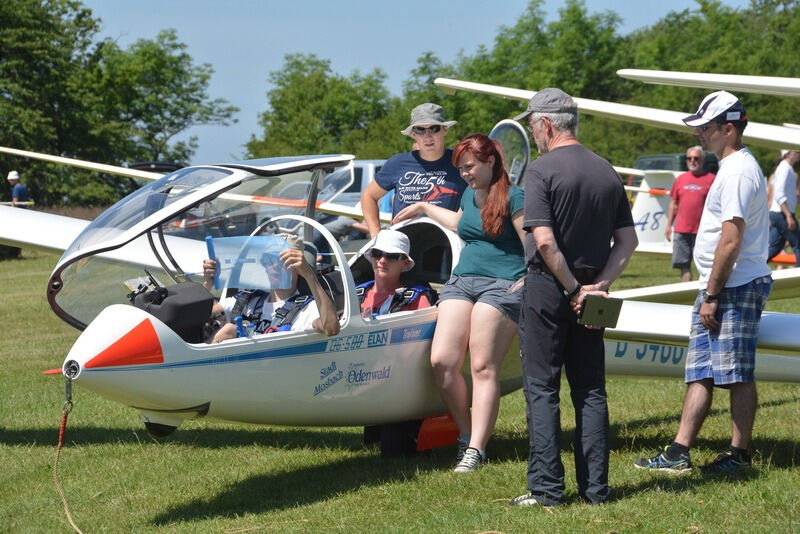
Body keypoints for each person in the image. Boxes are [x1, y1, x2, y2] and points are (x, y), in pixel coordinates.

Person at [508, 89, 637, 507]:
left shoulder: (541, 170)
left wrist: (571, 289)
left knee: (542, 389)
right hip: (590, 293)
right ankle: (596, 490)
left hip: (550, 288)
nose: (534, 133)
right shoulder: (606, 170)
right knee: (590, 390)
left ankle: (546, 490)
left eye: (533, 126)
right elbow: (628, 241)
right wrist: (597, 286)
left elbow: (544, 242)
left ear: (546, 124)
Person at [635, 91, 772, 476]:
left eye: (706, 128)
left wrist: (712, 294)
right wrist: (708, 290)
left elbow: (731, 239)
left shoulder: (740, 172)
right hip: (717, 285)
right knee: (700, 370)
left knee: (736, 372)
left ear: (728, 129)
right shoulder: (729, 168)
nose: (700, 135)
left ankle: (738, 455)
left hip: (735, 285)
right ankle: (679, 451)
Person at [394, 134, 525, 472]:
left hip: (503, 284)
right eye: (462, 169)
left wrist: (527, 279)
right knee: (442, 361)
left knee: (483, 366)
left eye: (470, 167)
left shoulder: (515, 196)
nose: (465, 174)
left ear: (490, 161)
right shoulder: (470, 193)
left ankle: (476, 450)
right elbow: (462, 224)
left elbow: (533, 245)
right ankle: (465, 435)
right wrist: (424, 207)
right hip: (462, 280)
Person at [202, 235, 340, 343]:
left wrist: (309, 275)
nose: (272, 266)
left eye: (281, 260)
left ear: (298, 267)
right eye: (267, 259)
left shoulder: (307, 309)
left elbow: (331, 328)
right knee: (229, 329)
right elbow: (196, 315)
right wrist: (208, 283)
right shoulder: (248, 300)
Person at [360, 103, 465, 237]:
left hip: (448, 245)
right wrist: (376, 236)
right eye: (420, 130)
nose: (427, 136)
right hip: (403, 246)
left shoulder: (461, 162)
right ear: (413, 134)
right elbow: (368, 196)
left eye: (434, 128)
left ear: (445, 129)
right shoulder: (397, 163)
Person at [665, 146, 716, 281]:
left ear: (702, 160)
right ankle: (685, 294)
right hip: (682, 230)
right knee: (683, 265)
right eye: (689, 158)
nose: (692, 161)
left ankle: (704, 295)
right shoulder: (681, 179)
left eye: (696, 158)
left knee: (705, 266)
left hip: (703, 231)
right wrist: (669, 225)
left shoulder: (712, 179)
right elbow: (674, 204)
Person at [357, 229, 433, 317]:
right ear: (371, 256)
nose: (382, 260)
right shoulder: (353, 295)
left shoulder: (417, 300)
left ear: (405, 263)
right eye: (377, 253)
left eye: (392, 256)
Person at [767, 149, 800, 265]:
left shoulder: (787, 168)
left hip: (778, 213)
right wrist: (788, 216)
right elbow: (779, 194)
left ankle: (751, 269)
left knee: (774, 248)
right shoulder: (785, 168)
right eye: (797, 151)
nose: (799, 153)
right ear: (789, 153)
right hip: (782, 214)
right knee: (798, 244)